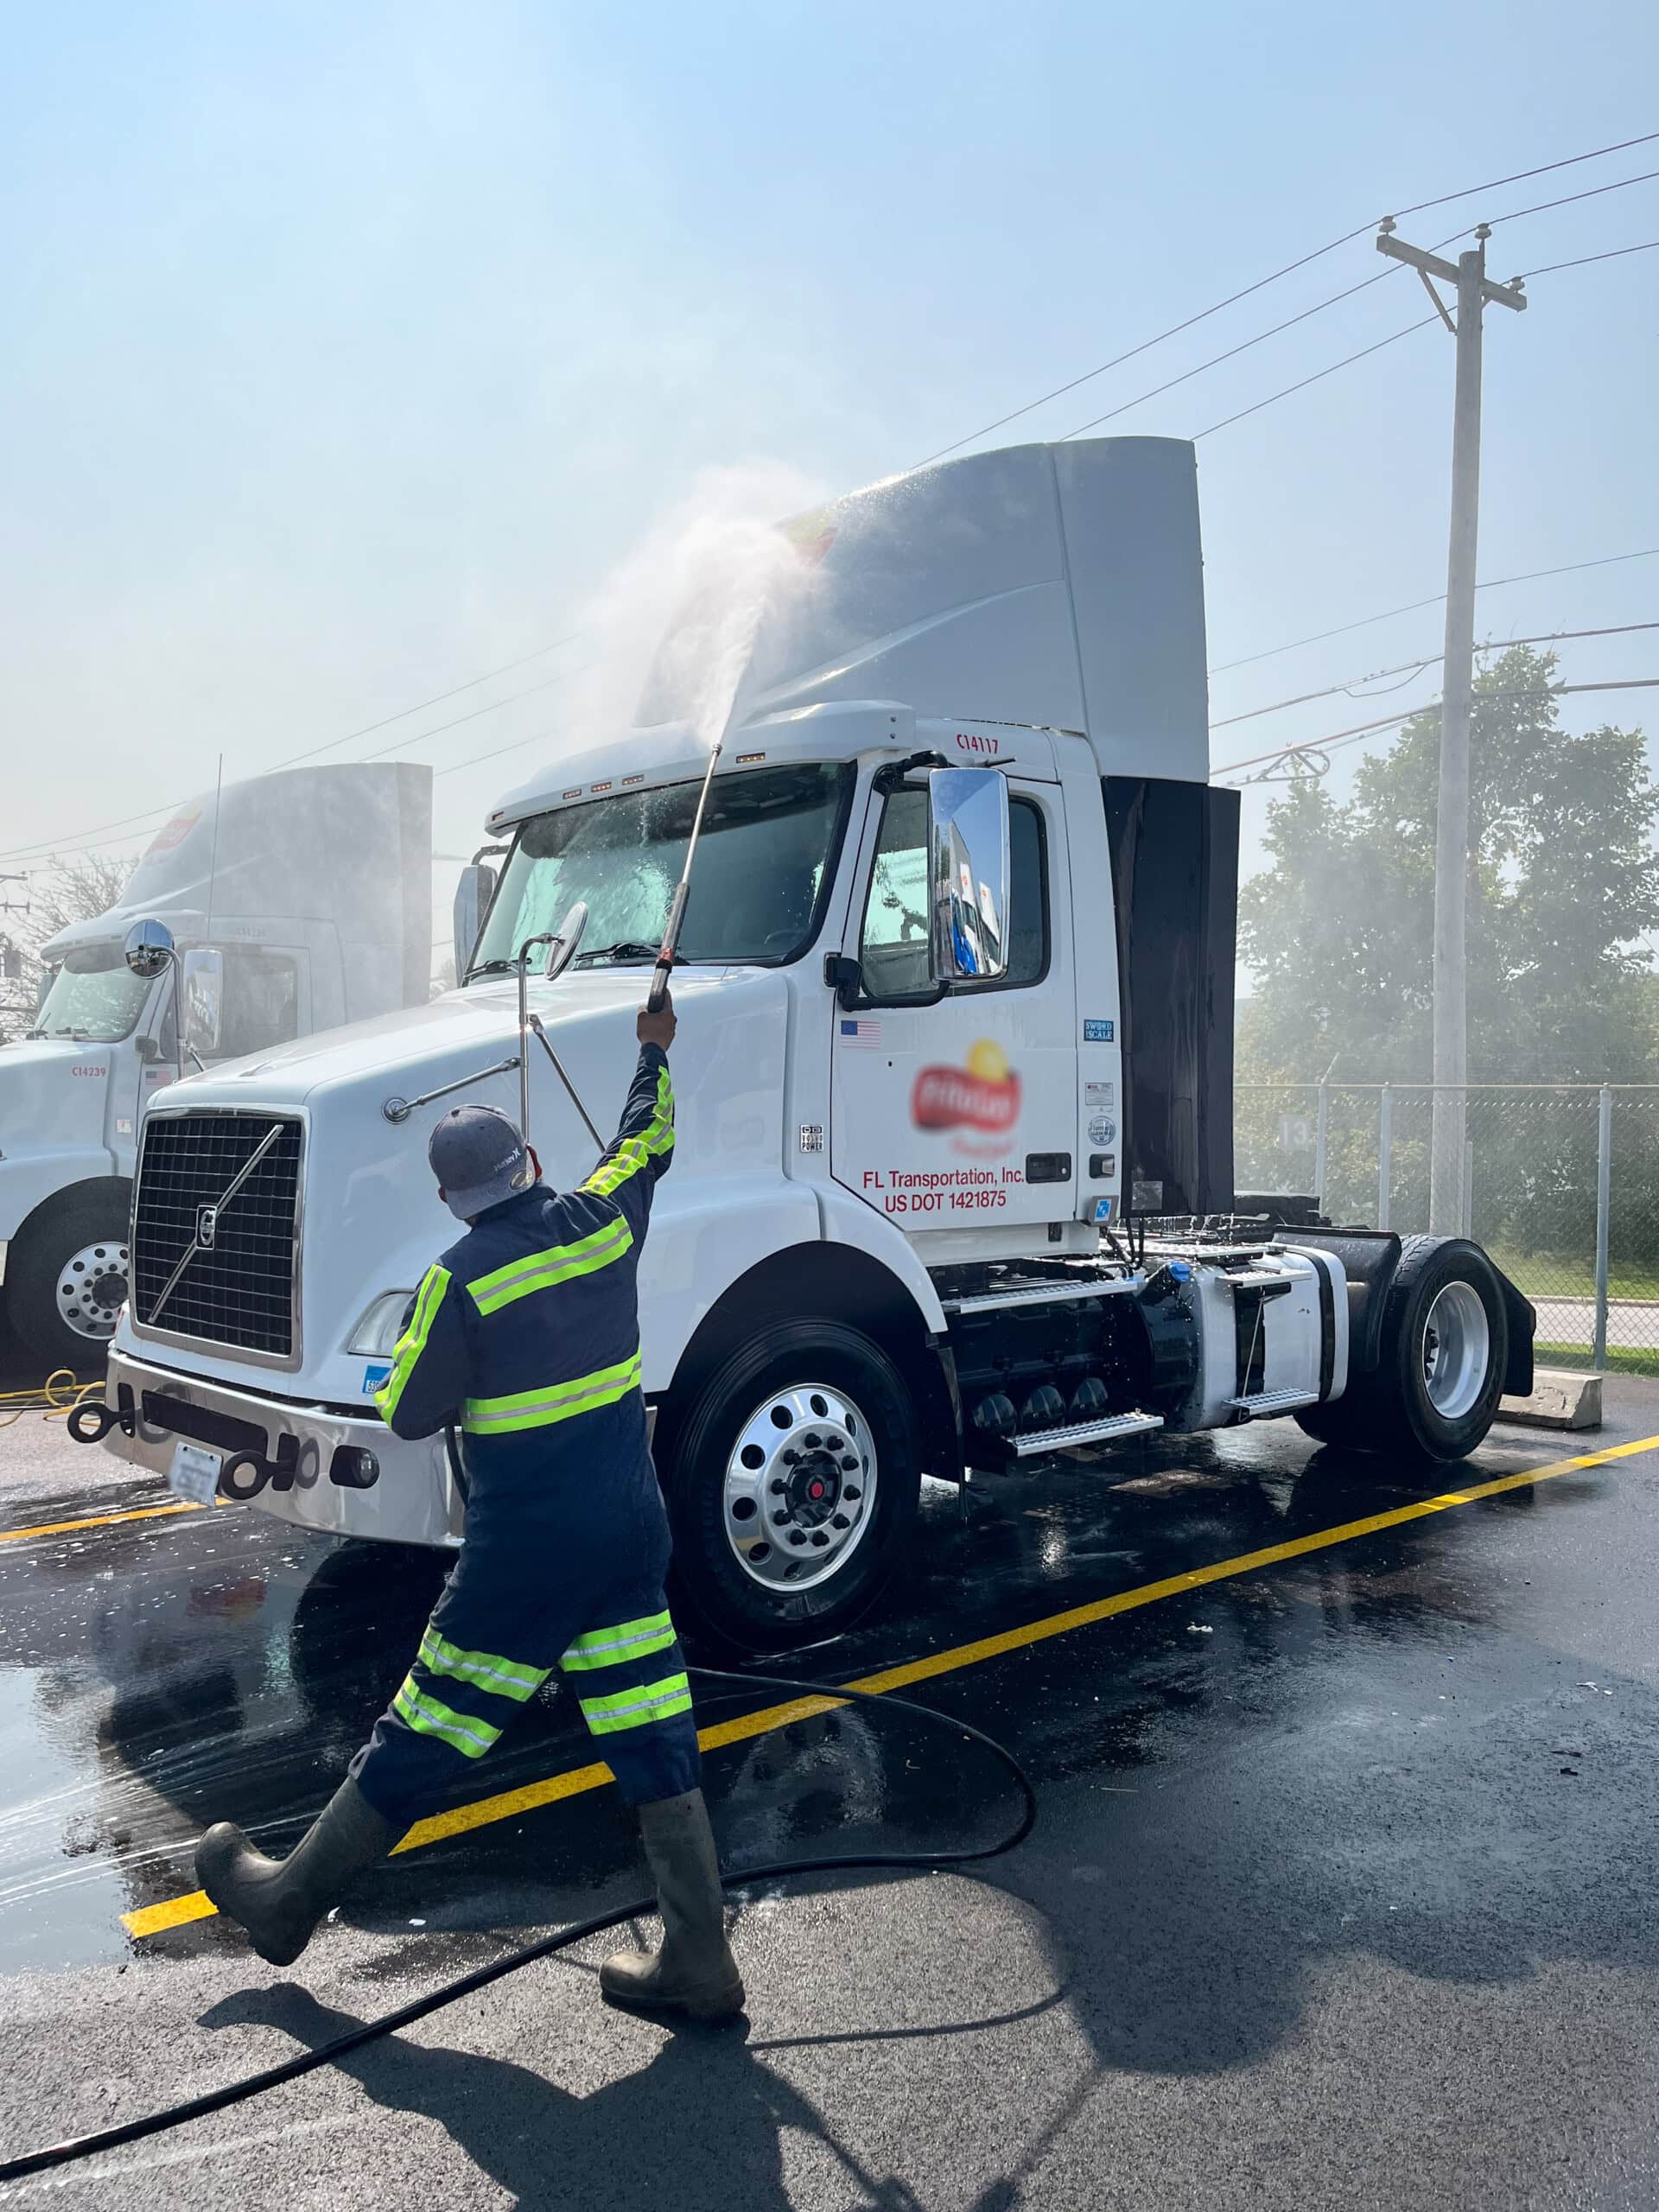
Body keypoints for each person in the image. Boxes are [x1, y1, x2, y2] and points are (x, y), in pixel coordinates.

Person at [195, 988, 743, 2020]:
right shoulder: (603, 1219)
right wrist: (650, 1047)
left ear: (453, 1201)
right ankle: (700, 1958)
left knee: (426, 1725)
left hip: (525, 1559)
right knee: (650, 1724)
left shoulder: (457, 1280)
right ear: (531, 1163)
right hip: (630, 1530)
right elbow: (647, 1140)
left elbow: (407, 1411)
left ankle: (285, 1905)